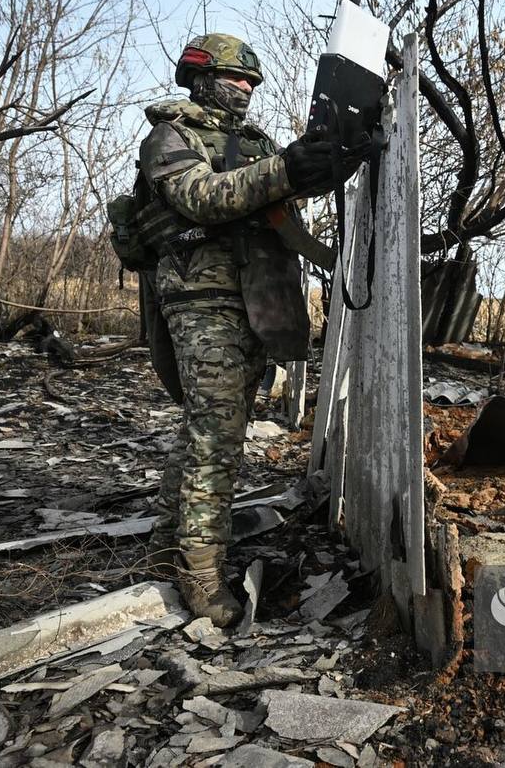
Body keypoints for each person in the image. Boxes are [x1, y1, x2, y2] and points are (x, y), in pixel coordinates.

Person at [139, 33, 353, 627]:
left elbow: (279, 197)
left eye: (252, 82)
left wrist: (323, 159)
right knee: (219, 437)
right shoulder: (171, 135)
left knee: (205, 429)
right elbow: (202, 199)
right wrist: (286, 167)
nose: (246, 89)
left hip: (256, 295)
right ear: (200, 77)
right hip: (203, 297)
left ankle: (163, 549)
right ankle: (201, 578)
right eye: (236, 78)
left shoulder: (253, 145)